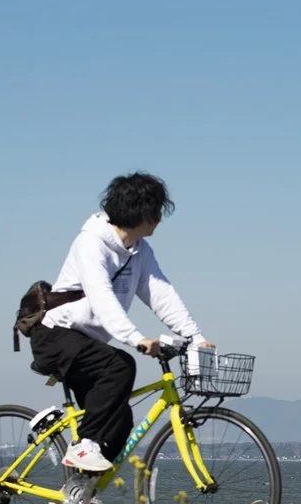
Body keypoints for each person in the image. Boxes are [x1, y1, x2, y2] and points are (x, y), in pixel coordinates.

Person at [28, 172, 212, 473]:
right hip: (55, 336)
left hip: (86, 343)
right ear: (139, 211)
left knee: (121, 420)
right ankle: (84, 446)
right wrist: (135, 337)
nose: (159, 218)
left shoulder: (140, 252)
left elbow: (161, 294)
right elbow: (101, 298)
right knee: (120, 366)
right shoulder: (91, 244)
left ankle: (78, 500)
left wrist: (195, 336)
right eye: (155, 210)